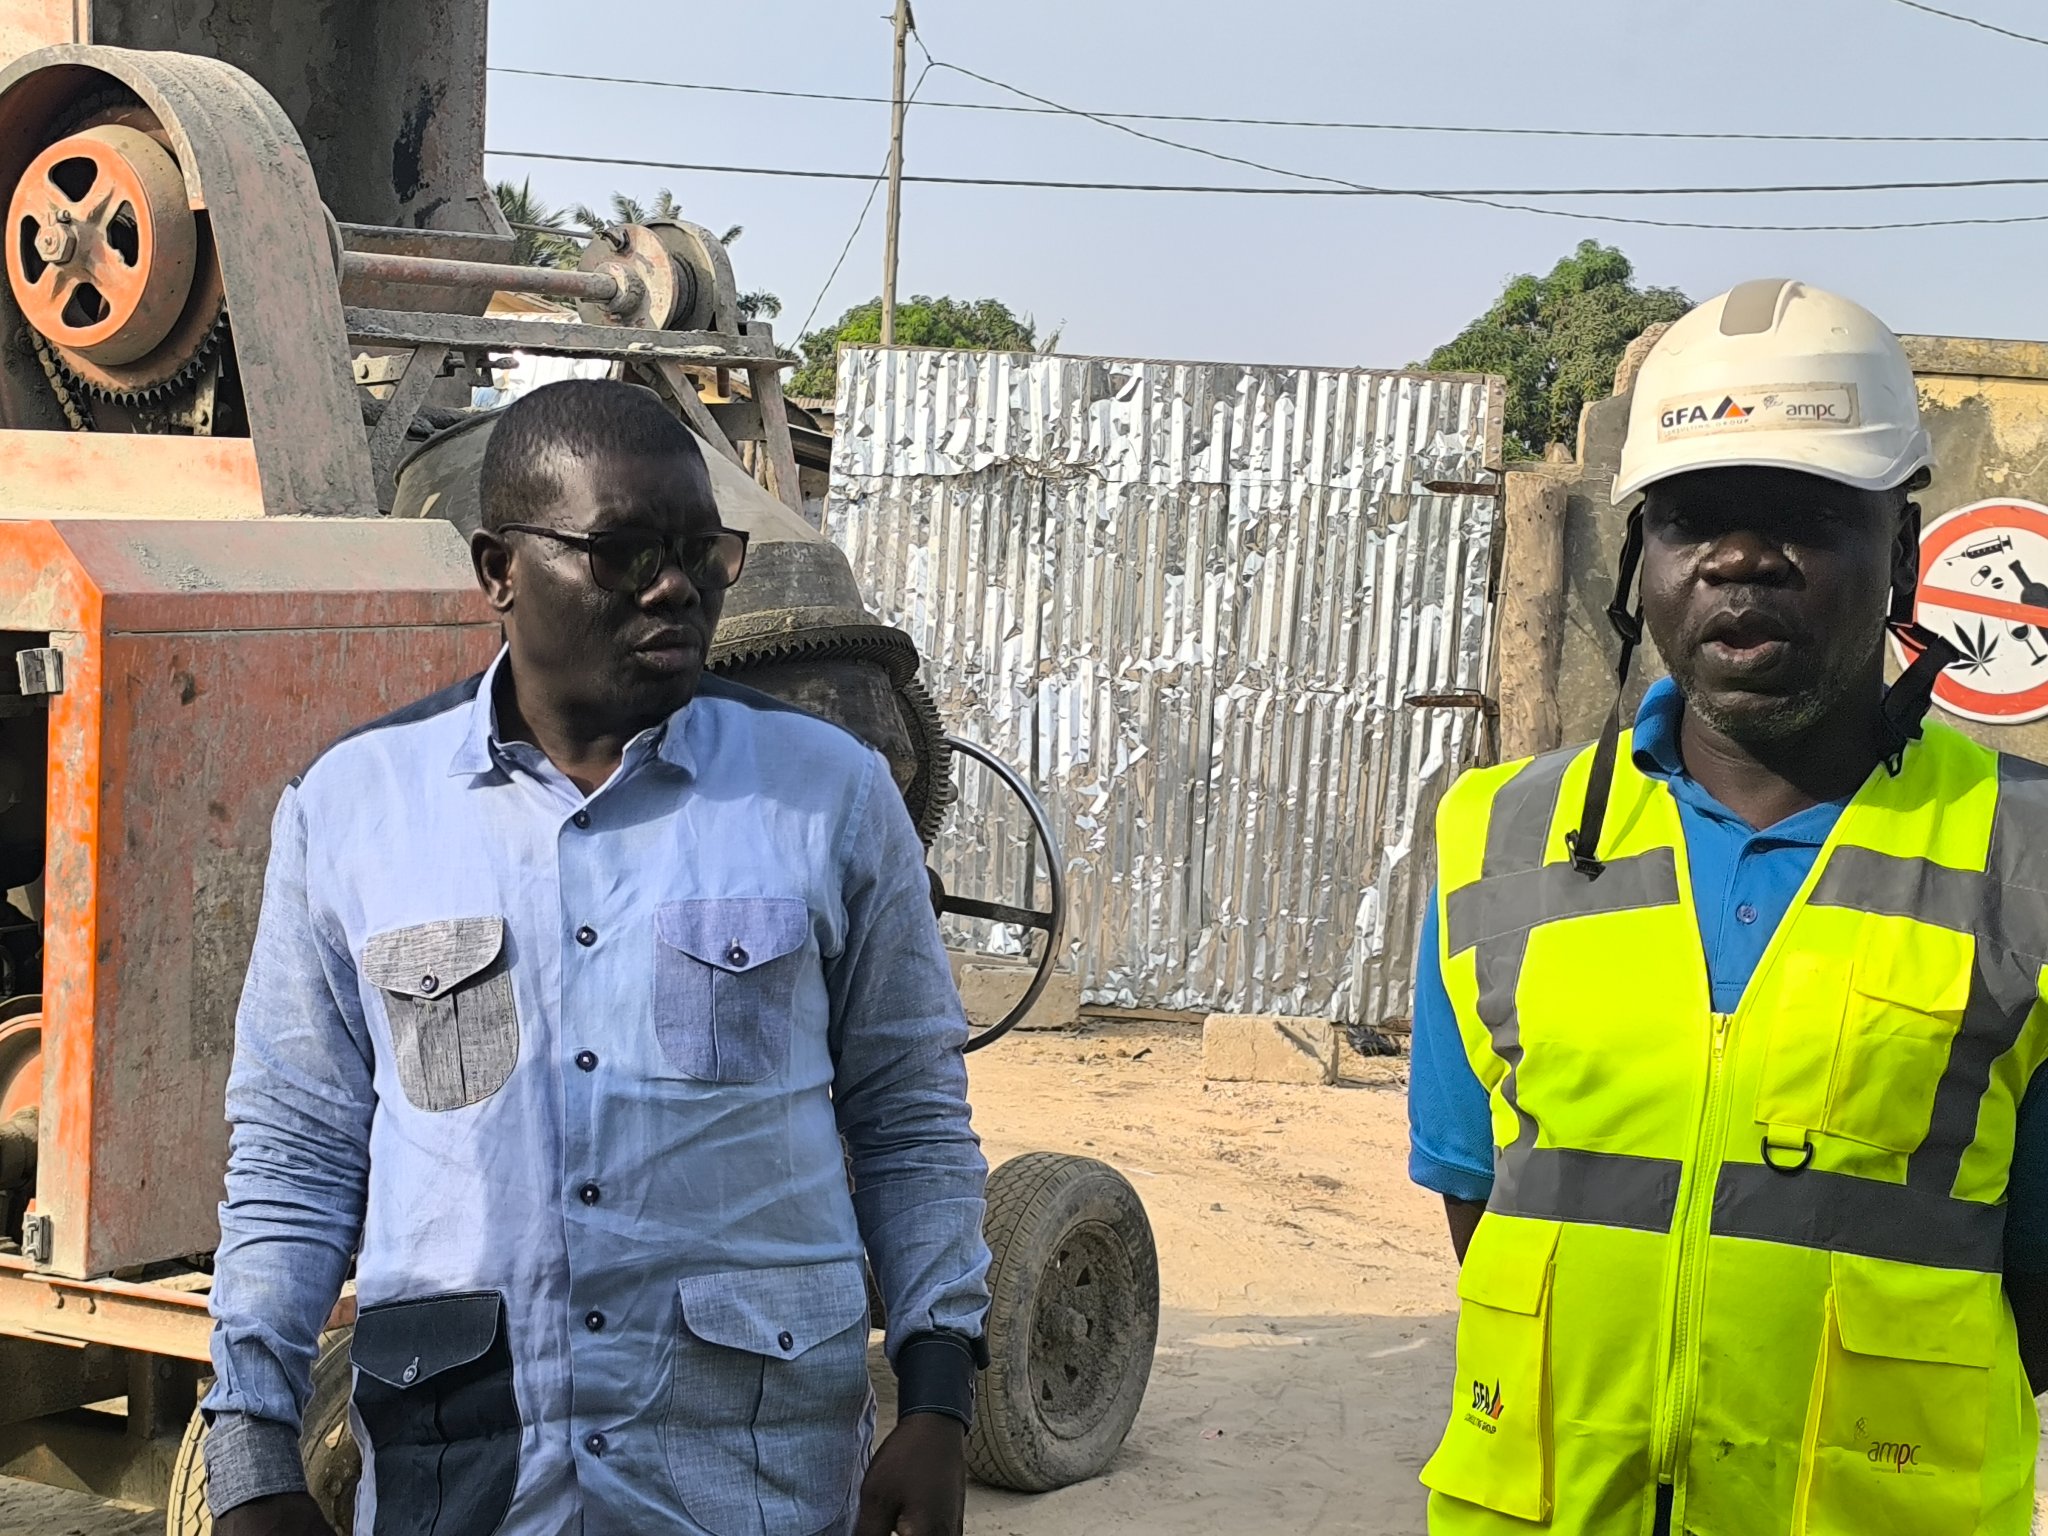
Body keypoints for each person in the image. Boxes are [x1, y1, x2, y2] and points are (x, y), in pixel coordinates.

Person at [200, 378, 991, 1536]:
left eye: (699, 550)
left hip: (746, 1486)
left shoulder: (826, 799)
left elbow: (910, 1117)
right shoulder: (353, 811)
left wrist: (936, 1400)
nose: (674, 585)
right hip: (463, 1482)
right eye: (621, 551)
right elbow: (295, 1154)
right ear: (497, 572)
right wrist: (251, 1454)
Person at [1406, 279, 2048, 1535]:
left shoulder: (2023, 854)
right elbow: (1479, 1199)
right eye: (1692, 517)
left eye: (1803, 515)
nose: (1740, 559)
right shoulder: (1496, 837)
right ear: (1640, 557)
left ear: (1903, 547)